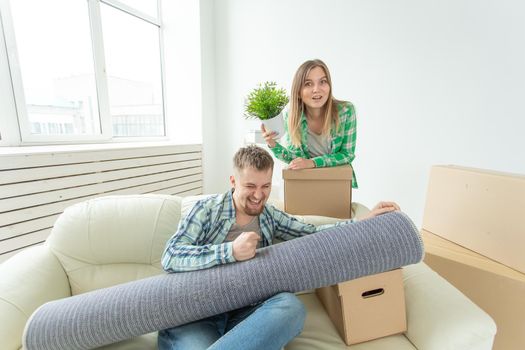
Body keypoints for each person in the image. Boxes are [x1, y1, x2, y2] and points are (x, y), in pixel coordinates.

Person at [159, 145, 399, 350]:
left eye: (265, 186)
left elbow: (313, 234)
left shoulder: (269, 215)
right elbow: (171, 255)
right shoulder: (206, 210)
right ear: (233, 182)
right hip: (198, 313)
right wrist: (229, 251)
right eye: (250, 186)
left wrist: (362, 222)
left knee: (290, 307)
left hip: (244, 312)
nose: (258, 195)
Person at [262, 59, 358, 188]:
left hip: (336, 184)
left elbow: (347, 154)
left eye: (323, 82)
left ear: (329, 86)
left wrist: (313, 162)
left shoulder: (346, 111)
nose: (316, 89)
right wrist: (273, 145)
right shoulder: (292, 116)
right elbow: (295, 160)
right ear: (299, 92)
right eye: (308, 84)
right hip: (305, 184)